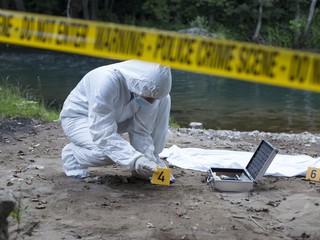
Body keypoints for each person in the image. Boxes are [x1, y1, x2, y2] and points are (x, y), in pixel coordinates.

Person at [59, 59, 174, 182]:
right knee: (106, 152)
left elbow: (142, 130)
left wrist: (146, 160)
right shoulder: (105, 81)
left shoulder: (147, 88)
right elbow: (102, 133)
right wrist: (135, 159)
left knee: (164, 99)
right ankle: (73, 156)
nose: (151, 101)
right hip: (80, 118)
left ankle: (150, 162)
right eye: (149, 96)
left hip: (117, 118)